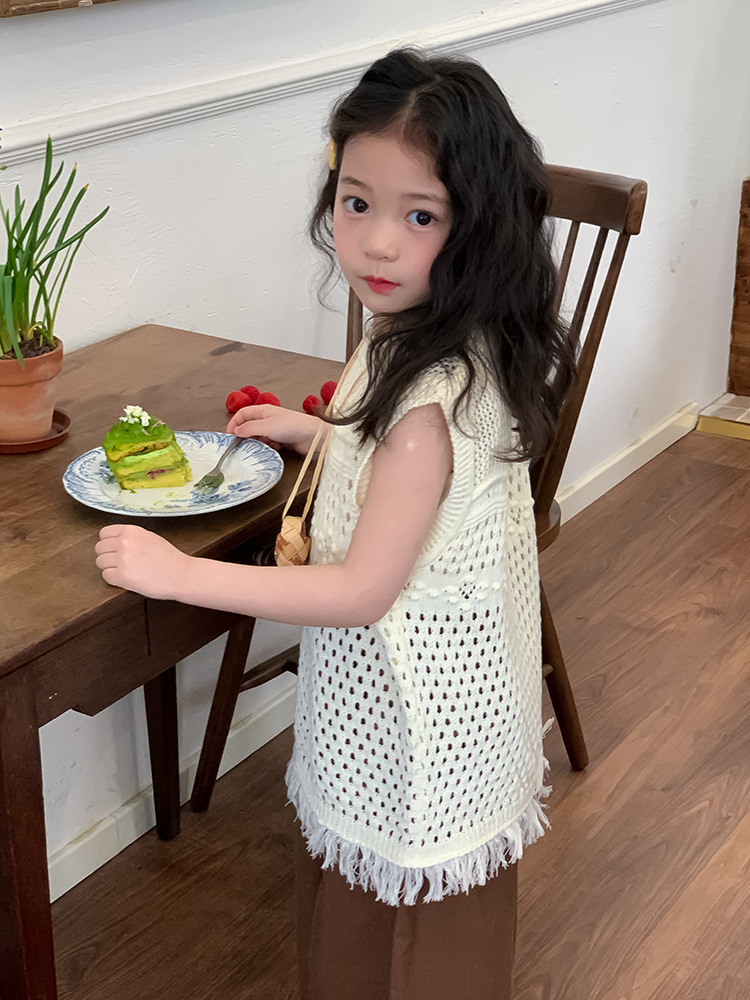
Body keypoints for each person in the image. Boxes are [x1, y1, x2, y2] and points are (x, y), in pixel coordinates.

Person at [95, 47, 574, 1000]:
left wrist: (177, 574)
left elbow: (360, 590)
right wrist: (320, 430)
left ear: (480, 226)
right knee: (394, 918)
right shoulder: (433, 341)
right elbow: (404, 476)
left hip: (416, 726)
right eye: (357, 203)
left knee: (406, 944)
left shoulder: (426, 405)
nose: (377, 245)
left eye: (421, 216)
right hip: (439, 707)